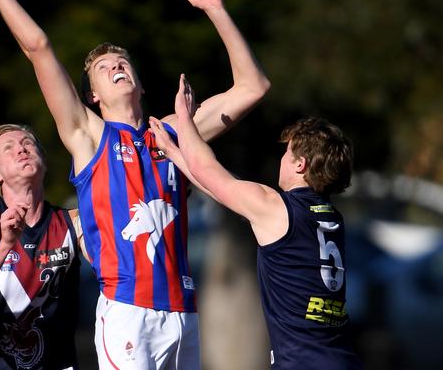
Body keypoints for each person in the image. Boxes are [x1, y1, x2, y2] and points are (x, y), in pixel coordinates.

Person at [0, 0, 270, 369]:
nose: (116, 66)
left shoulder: (173, 132)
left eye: (123, 62)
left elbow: (253, 87)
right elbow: (39, 48)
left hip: (184, 314)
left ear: (141, 84)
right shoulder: (89, 135)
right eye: (103, 68)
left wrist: (217, 12)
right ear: (91, 95)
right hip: (128, 312)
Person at [149, 75, 362, 369]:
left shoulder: (277, 207)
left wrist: (185, 118)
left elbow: (207, 169)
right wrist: (174, 153)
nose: (282, 159)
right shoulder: (330, 217)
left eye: (287, 153)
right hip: (342, 359)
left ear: (300, 165)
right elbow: (223, 190)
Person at [0, 124, 84, 370]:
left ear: (44, 160)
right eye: (8, 148)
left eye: (28, 143)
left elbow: (116, 272)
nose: (21, 149)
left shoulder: (73, 222)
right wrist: (6, 245)